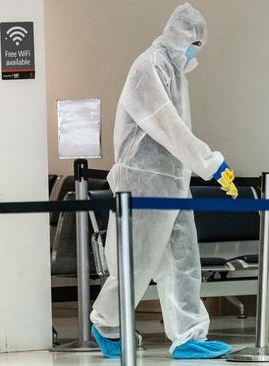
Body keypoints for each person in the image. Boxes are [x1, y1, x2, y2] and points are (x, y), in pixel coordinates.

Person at [89, 2, 237, 359]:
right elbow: (166, 123)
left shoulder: (174, 72)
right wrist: (210, 162)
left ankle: (188, 335)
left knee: (184, 258)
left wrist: (199, 165)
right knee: (136, 262)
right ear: (181, 35)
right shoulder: (149, 66)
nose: (195, 50)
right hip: (143, 183)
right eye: (195, 42)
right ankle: (106, 323)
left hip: (172, 181)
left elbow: (176, 130)